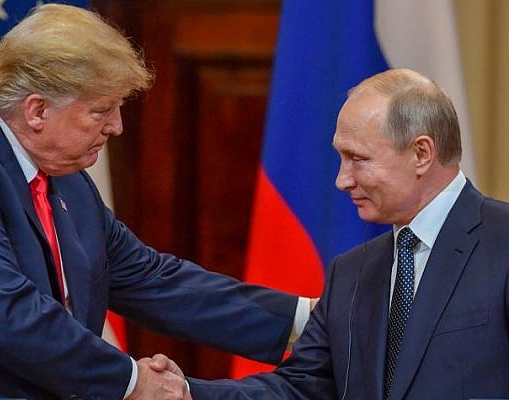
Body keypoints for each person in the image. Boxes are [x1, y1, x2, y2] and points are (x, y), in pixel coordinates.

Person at [0, 4, 315, 400]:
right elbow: (3, 314)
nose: (117, 127)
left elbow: (153, 280)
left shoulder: (66, 179)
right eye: (101, 111)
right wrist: (132, 382)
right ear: (37, 110)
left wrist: (306, 320)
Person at [185, 68, 509, 399]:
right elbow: (299, 388)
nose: (342, 180)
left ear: (421, 154)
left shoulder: (503, 242)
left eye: (357, 158)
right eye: (341, 158)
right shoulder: (351, 273)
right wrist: (183, 393)